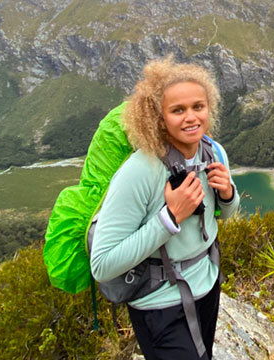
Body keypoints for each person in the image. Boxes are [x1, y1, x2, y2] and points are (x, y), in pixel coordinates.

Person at [90, 56, 239, 359]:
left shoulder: (213, 152)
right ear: (159, 118)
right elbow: (102, 265)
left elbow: (224, 216)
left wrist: (227, 195)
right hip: (158, 304)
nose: (191, 117)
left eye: (198, 107)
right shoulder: (140, 171)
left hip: (207, 286)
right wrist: (169, 218)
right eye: (177, 110)